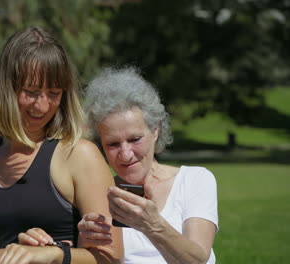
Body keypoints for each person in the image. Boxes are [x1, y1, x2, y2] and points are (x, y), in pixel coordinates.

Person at [0, 27, 123, 264]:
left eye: (54, 93)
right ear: (6, 88)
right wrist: (21, 255)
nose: (42, 106)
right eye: (31, 92)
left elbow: (111, 256)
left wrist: (54, 254)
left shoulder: (79, 155)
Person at [77, 67, 218, 263]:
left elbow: (198, 259)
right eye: (113, 144)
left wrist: (152, 225)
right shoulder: (98, 195)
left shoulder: (194, 180)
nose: (125, 155)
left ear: (156, 131)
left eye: (135, 139)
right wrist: (85, 246)